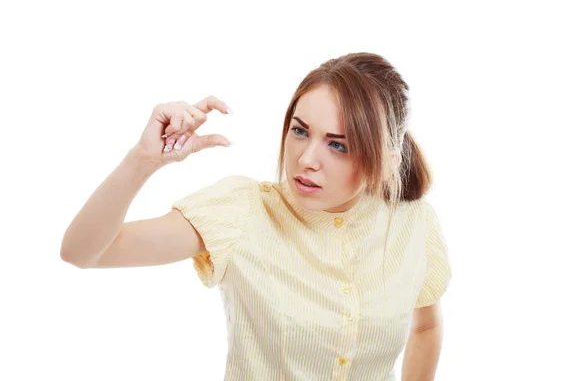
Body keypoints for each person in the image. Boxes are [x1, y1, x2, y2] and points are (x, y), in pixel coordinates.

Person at [61, 52, 452, 380]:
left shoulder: (413, 224)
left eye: (338, 144)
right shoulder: (243, 211)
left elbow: (428, 325)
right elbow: (85, 252)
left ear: (385, 157)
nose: (306, 159)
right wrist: (142, 162)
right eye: (300, 131)